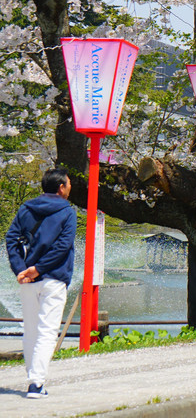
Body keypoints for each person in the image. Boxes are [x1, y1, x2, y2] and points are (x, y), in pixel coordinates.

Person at [5, 168, 76, 399]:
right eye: (69, 184)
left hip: (28, 280)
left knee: (31, 331)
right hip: (53, 279)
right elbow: (63, 246)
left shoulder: (26, 208)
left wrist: (21, 269)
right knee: (47, 331)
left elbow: (11, 238)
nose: (70, 187)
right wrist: (40, 269)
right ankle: (36, 384)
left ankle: (33, 379)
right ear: (61, 187)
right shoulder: (67, 212)